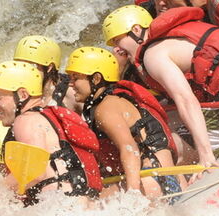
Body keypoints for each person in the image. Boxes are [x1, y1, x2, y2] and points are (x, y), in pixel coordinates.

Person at [105, 4, 219, 169]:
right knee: (170, 119)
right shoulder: (177, 37)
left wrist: (205, 155)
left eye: (117, 40)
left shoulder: (153, 55)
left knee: (173, 150)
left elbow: (186, 101)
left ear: (136, 30)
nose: (116, 50)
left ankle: (199, 168)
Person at [64, 47, 182, 200]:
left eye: (75, 78)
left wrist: (133, 194)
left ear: (96, 79)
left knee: (85, 203)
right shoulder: (116, 99)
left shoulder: (105, 109)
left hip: (150, 181)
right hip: (169, 178)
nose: (71, 84)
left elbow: (129, 148)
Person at [0, 60, 103, 205]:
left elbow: (34, 171)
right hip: (82, 203)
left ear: (22, 94)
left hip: (60, 207)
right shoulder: (47, 116)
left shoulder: (26, 120)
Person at [0, 34, 77, 132]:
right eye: (21, 65)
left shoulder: (71, 93)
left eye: (30, 66)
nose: (25, 71)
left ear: (49, 67)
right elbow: (9, 115)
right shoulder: (25, 88)